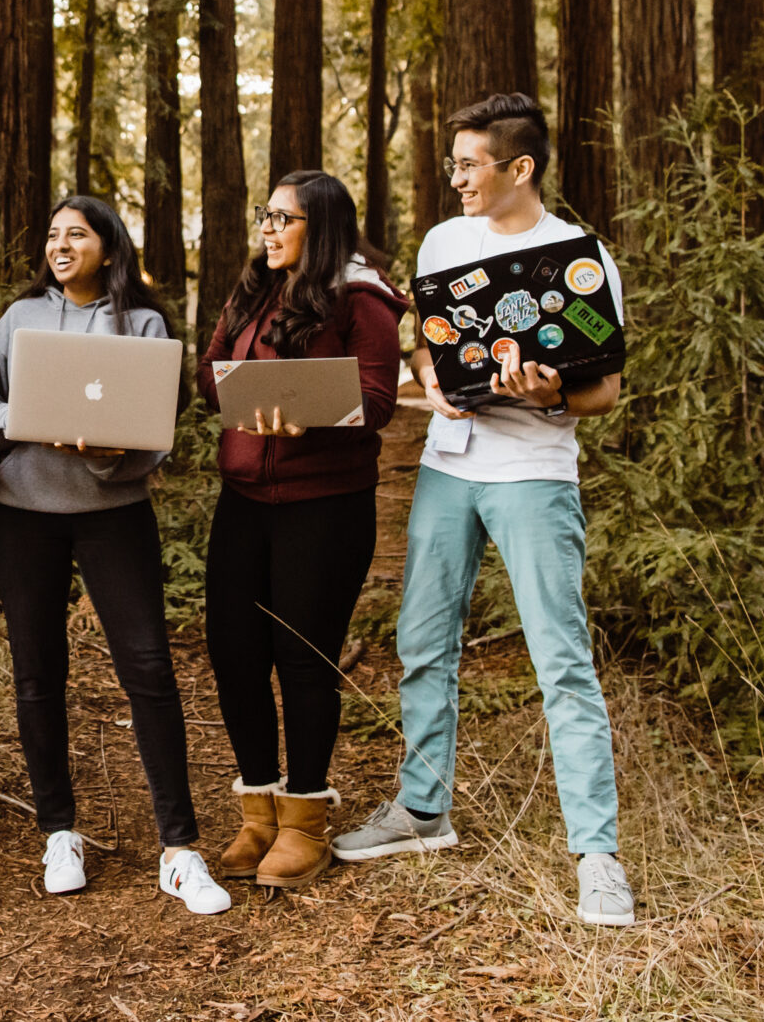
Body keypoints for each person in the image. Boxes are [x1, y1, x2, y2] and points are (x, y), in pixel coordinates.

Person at [333, 92, 634, 927]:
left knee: (561, 659)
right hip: (447, 466)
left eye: (470, 164)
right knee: (422, 641)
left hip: (534, 471)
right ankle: (423, 810)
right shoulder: (444, 241)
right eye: (455, 164)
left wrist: (549, 396)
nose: (456, 178)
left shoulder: (578, 254)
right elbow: (430, 338)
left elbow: (603, 388)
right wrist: (432, 378)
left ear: (519, 168)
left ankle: (597, 855)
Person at [0, 196, 233, 915]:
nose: (61, 244)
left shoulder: (142, 323)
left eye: (77, 233)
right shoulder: (19, 318)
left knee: (149, 670)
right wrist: (30, 420)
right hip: (21, 513)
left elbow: (154, 433)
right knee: (38, 674)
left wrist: (105, 454)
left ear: (107, 244)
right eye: (53, 233)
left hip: (114, 514)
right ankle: (59, 831)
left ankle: (180, 848)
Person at [197, 169, 407, 890]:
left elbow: (378, 398)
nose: (268, 227)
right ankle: (258, 810)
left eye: (284, 218)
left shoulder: (362, 297)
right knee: (233, 650)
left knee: (302, 656)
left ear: (321, 228)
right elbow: (212, 376)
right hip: (245, 497)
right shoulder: (252, 289)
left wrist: (307, 408)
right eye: (267, 214)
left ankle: (305, 825)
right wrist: (239, 391)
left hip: (325, 504)